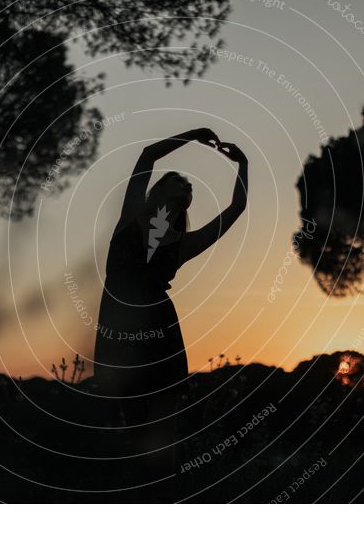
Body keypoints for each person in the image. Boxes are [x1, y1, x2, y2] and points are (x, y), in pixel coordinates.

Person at [93, 127, 248, 500]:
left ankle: (164, 502)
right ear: (156, 192)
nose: (185, 185)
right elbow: (148, 154)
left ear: (184, 205)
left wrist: (243, 163)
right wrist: (193, 135)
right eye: (175, 180)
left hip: (161, 331)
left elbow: (236, 209)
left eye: (188, 188)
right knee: (131, 426)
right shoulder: (130, 216)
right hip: (119, 328)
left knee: (162, 430)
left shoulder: (184, 243)